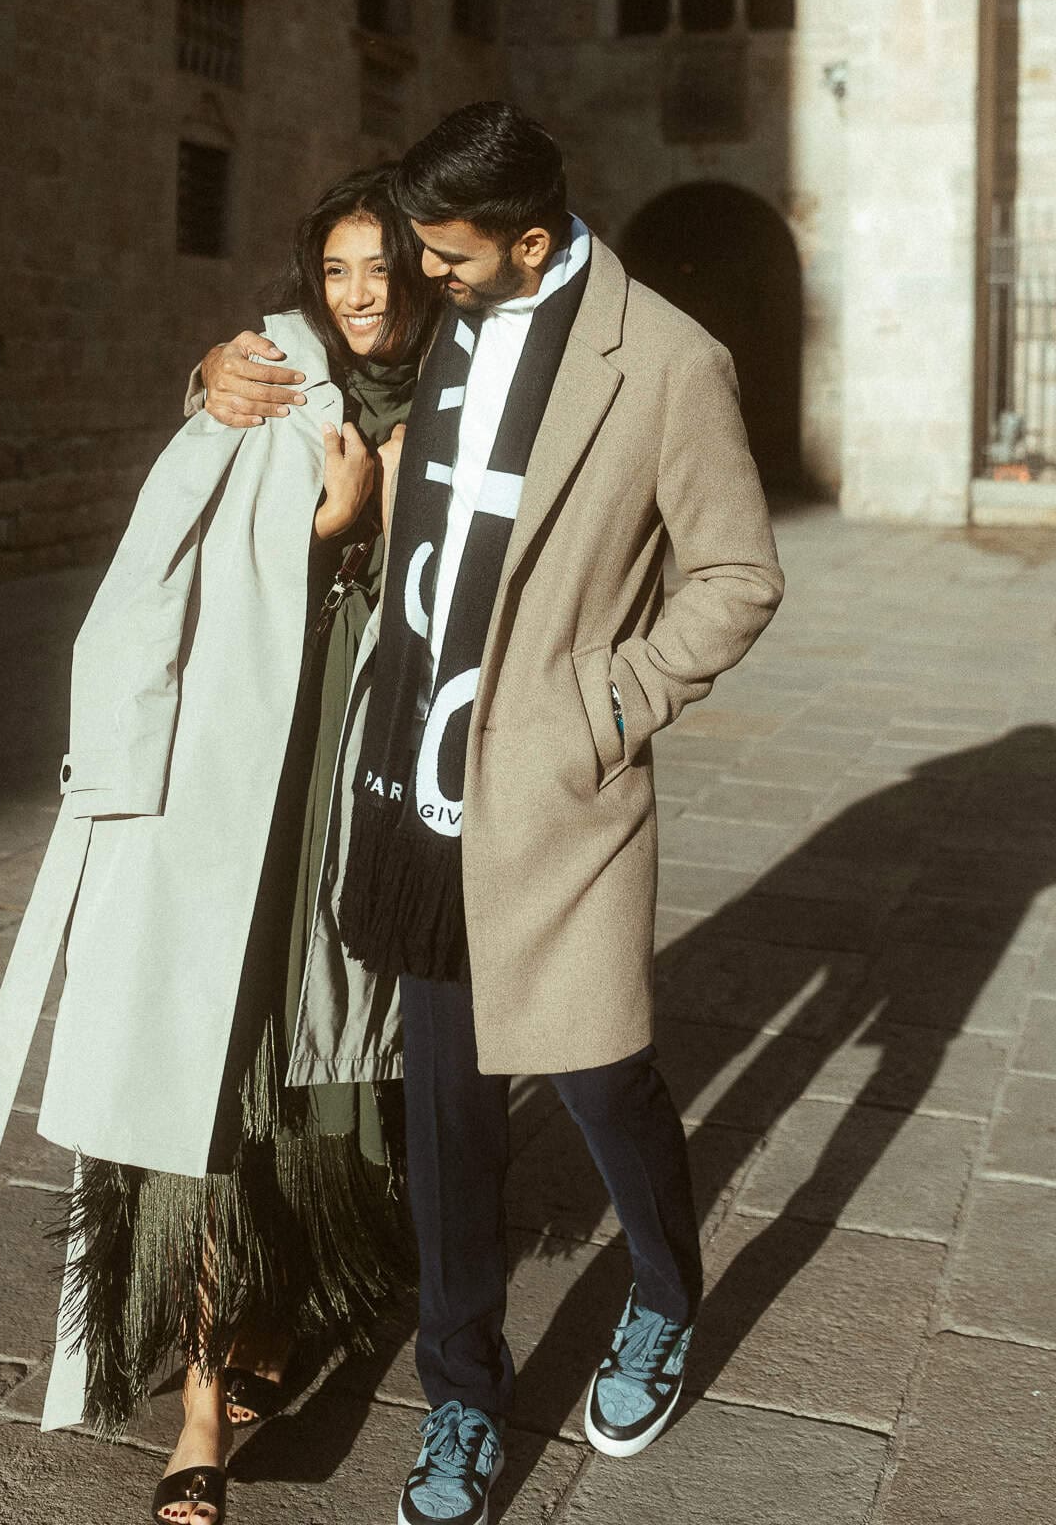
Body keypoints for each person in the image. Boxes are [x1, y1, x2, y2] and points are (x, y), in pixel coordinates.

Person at [199, 101, 784, 1525]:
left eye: (446, 258)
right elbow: (309, 346)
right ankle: (461, 1396)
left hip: (543, 790)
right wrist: (214, 366)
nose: (415, 281)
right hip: (408, 782)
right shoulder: (448, 311)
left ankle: (659, 1290)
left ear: (529, 241)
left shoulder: (667, 364)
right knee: (450, 1113)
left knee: (597, 1076)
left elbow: (737, 577)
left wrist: (605, 705)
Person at [0, 167, 441, 1525]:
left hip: (367, 780)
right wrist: (325, 520)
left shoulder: (464, 401)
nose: (359, 300)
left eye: (382, 274)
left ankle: (280, 1298)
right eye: (337, 273)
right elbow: (176, 536)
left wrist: (381, 534)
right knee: (202, 1048)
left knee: (315, 1057)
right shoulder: (273, 377)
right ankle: (201, 1410)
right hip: (237, 780)